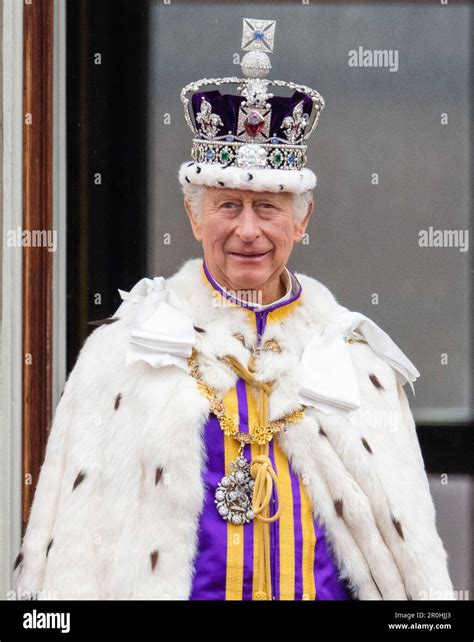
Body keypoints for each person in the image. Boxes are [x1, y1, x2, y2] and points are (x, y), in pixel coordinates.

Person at [13, 17, 453, 601]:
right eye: (228, 205)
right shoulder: (123, 355)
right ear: (194, 216)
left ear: (303, 219)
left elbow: (410, 570)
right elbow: (69, 563)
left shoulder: (359, 366)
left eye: (268, 207)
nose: (248, 230)